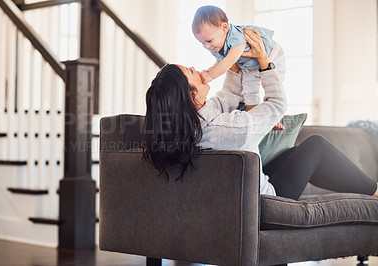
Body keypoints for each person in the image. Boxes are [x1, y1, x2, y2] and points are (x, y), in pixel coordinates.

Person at [143, 28, 378, 201]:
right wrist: (265, 64)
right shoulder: (225, 129)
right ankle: (374, 192)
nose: (197, 68)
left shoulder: (195, 124)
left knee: (294, 155)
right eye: (191, 72)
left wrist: (237, 62)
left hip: (247, 189)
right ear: (190, 95)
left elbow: (228, 96)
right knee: (315, 146)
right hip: (267, 200)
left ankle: (365, 192)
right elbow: (276, 104)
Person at [192, 5, 285, 131]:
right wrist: (210, 69)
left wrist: (210, 75)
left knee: (275, 83)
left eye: (208, 41)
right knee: (249, 90)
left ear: (224, 27)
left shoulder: (236, 36)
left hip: (272, 56)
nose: (206, 46)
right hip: (249, 65)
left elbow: (229, 61)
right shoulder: (216, 44)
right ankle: (260, 121)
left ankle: (274, 117)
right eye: (202, 43)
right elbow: (220, 61)